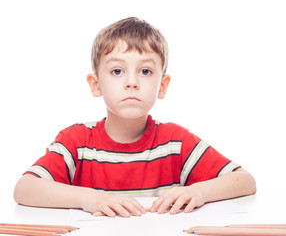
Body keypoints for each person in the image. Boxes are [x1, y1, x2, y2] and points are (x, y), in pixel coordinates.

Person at [13, 17, 256, 218]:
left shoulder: (175, 142)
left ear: (162, 86)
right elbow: (24, 189)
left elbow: (244, 181)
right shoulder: (77, 141)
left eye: (145, 71)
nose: (132, 82)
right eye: (117, 71)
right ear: (96, 84)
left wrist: (200, 191)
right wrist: (89, 198)